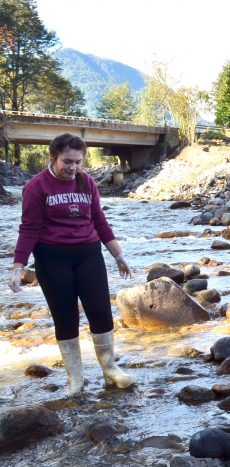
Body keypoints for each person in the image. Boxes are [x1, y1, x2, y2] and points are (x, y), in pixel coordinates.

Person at [9, 133, 135, 395]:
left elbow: (99, 221)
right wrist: (18, 267)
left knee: (101, 312)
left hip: (89, 255)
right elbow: (29, 229)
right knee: (65, 317)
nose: (73, 168)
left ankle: (110, 370)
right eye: (67, 161)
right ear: (53, 157)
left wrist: (118, 255)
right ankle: (75, 379)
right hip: (53, 260)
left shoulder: (86, 182)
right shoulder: (36, 187)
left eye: (78, 162)